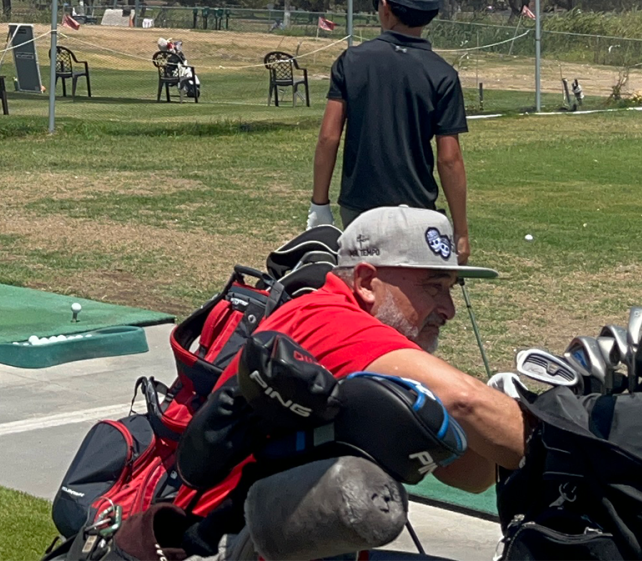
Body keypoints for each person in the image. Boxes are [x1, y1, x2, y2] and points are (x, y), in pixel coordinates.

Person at [223, 206, 523, 491]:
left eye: (450, 288)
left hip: (247, 528)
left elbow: (469, 477)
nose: (449, 309)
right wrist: (564, 447)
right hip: (219, 537)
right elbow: (465, 402)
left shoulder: (325, 312)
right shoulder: (336, 323)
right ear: (366, 282)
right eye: (434, 286)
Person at [308, 0, 471, 262]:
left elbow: (328, 138)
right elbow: (449, 159)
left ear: (384, 7)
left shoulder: (352, 61)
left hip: (359, 206)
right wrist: (460, 232)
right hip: (418, 211)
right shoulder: (443, 74)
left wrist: (319, 204)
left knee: (363, 289)